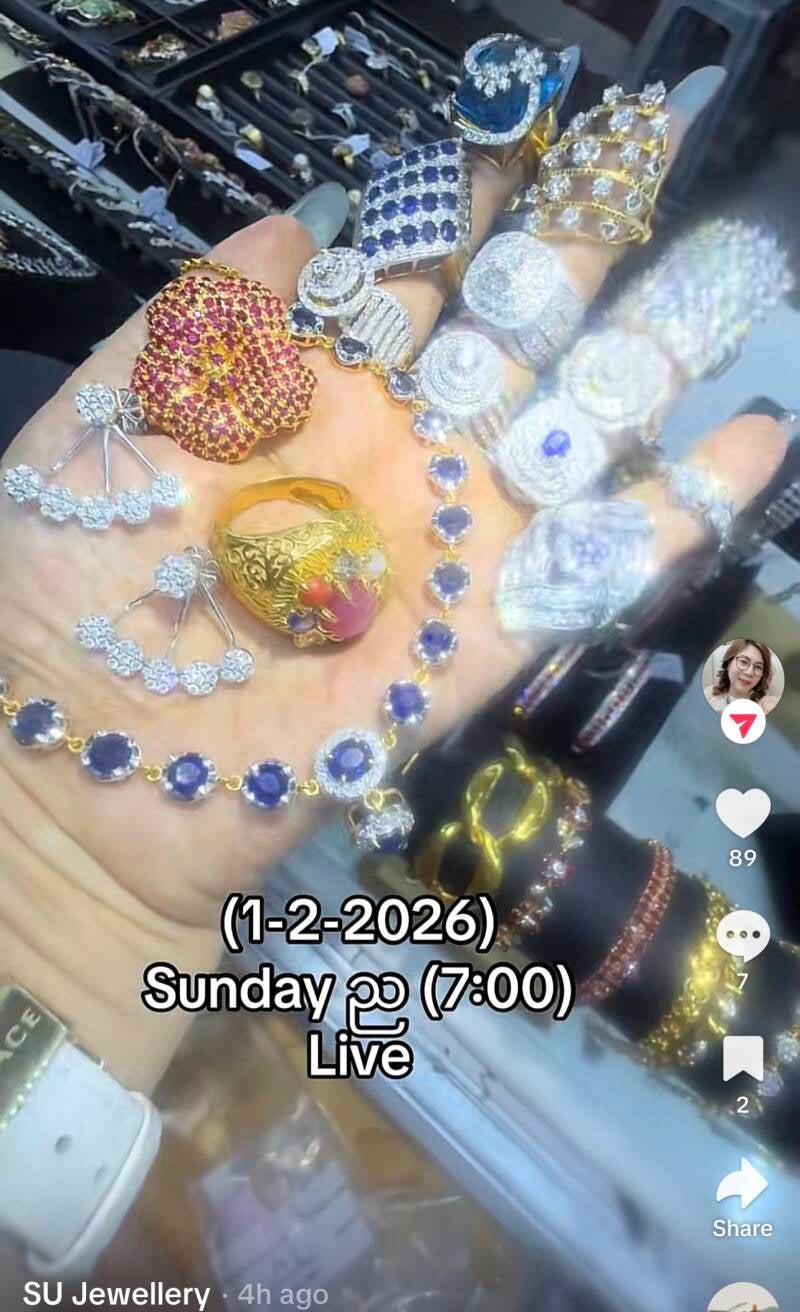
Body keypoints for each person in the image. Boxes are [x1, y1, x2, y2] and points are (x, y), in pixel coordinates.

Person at [704, 638, 778, 713]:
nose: (749, 672)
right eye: (743, 662)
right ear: (729, 663)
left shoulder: (766, 705)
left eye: (758, 667)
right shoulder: (709, 694)